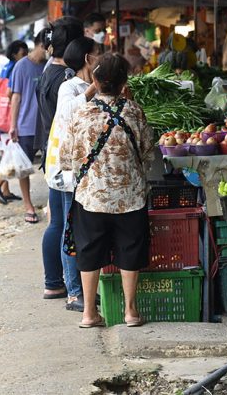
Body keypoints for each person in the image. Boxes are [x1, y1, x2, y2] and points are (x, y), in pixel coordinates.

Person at [60, 52, 154, 328]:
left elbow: (66, 159)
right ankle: (130, 312)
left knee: (89, 252)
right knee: (130, 249)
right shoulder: (134, 111)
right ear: (124, 82)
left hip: (92, 197)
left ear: (95, 79)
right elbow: (148, 153)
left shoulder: (81, 113)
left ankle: (89, 313)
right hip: (130, 197)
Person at [44, 36, 102, 312]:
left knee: (79, 229)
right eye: (97, 53)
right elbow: (67, 113)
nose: (100, 57)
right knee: (70, 230)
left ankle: (83, 289)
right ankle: (73, 292)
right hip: (68, 170)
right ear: (88, 59)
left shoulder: (85, 86)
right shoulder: (68, 87)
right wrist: (93, 89)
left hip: (85, 168)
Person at [35, 16, 83, 298]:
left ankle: (53, 282)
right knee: (66, 224)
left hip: (52, 155)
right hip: (63, 159)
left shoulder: (48, 71)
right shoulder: (65, 79)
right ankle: (70, 287)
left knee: (58, 223)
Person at [9, 30, 47, 224]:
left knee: (51, 166)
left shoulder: (49, 65)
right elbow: (15, 97)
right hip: (26, 125)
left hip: (46, 126)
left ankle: (51, 205)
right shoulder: (21, 66)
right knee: (24, 168)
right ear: (41, 45)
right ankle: (28, 205)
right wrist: (12, 125)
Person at [0, 40, 28, 205]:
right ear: (14, 54)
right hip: (6, 122)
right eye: (23, 53)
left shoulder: (7, 67)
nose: (26, 57)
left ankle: (5, 190)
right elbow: (11, 93)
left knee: (7, 155)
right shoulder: (16, 68)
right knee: (10, 156)